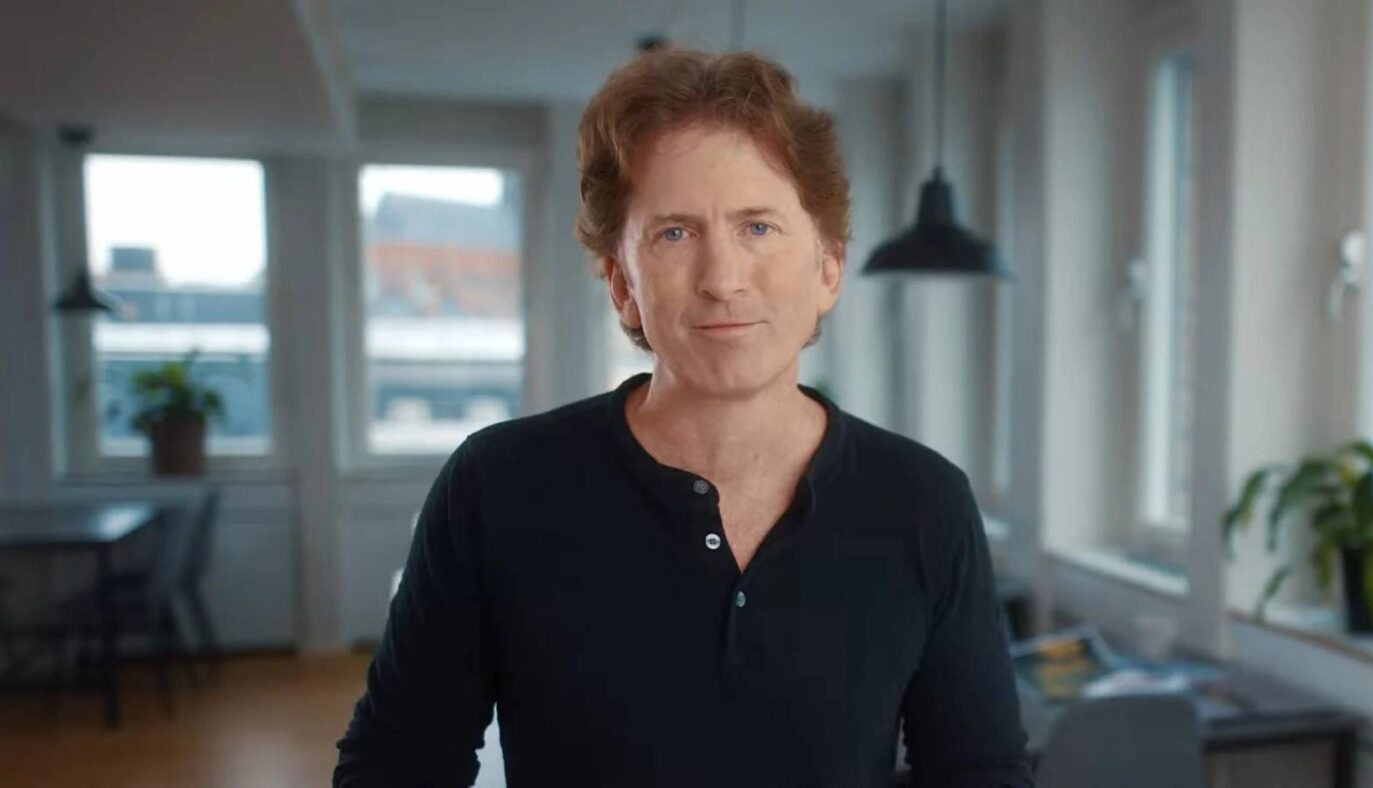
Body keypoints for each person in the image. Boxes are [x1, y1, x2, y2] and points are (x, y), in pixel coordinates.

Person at [334, 47, 1030, 787]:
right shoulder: (497, 485)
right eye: (675, 233)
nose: (722, 279)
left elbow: (979, 772)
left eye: (758, 227)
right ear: (622, 286)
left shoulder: (923, 502)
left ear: (827, 269)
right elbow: (395, 765)